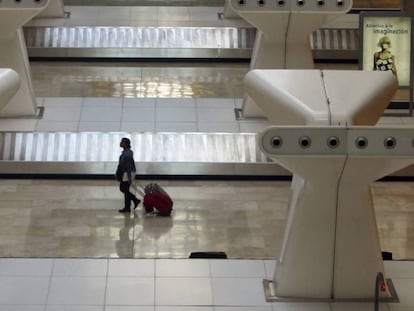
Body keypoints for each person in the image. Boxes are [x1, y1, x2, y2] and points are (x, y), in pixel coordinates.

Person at [116, 137, 140, 213]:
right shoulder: (126, 152)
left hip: (128, 173)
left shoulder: (128, 153)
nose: (120, 143)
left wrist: (129, 177)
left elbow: (128, 165)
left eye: (122, 142)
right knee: (125, 189)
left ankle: (135, 200)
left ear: (125, 144)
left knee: (123, 188)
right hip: (127, 173)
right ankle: (127, 207)